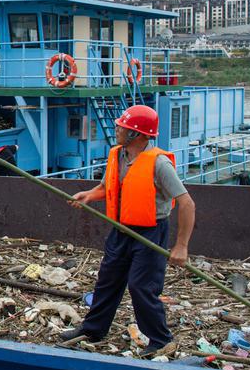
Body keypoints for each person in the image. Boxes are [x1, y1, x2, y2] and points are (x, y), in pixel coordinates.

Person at [61, 105, 195, 356]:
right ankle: (93, 329)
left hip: (151, 232)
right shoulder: (118, 156)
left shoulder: (159, 164)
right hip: (121, 230)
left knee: (141, 286)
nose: (117, 129)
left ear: (138, 134)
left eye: (123, 127)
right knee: (107, 280)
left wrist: (181, 246)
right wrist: (88, 196)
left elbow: (187, 203)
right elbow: (107, 189)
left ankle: (160, 339)